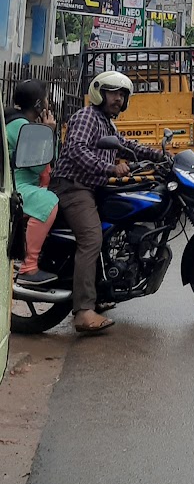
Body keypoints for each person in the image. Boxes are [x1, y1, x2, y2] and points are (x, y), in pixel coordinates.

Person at [50, 71, 160, 335]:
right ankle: (84, 311)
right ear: (100, 93)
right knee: (91, 238)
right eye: (114, 93)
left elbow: (126, 145)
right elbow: (76, 150)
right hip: (73, 187)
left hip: (93, 188)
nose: (118, 99)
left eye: (122, 95)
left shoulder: (107, 123)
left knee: (113, 231)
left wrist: (161, 155)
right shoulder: (87, 117)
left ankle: (100, 292)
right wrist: (110, 168)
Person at [5, 79, 59, 291]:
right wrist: (48, 132)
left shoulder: (18, 122)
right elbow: (37, 165)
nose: (48, 103)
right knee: (48, 201)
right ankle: (29, 266)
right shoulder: (22, 126)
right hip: (18, 184)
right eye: (45, 99)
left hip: (19, 180)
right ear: (38, 104)